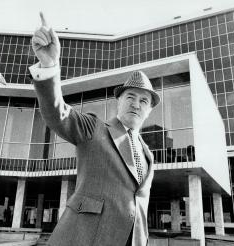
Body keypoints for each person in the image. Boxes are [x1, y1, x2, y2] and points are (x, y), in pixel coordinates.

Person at [29, 12, 160, 246]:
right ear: (118, 101)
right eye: (130, 96)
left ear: (149, 110)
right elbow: (57, 113)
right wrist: (49, 67)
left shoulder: (148, 155)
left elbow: (138, 205)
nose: (136, 104)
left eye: (143, 101)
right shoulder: (93, 128)